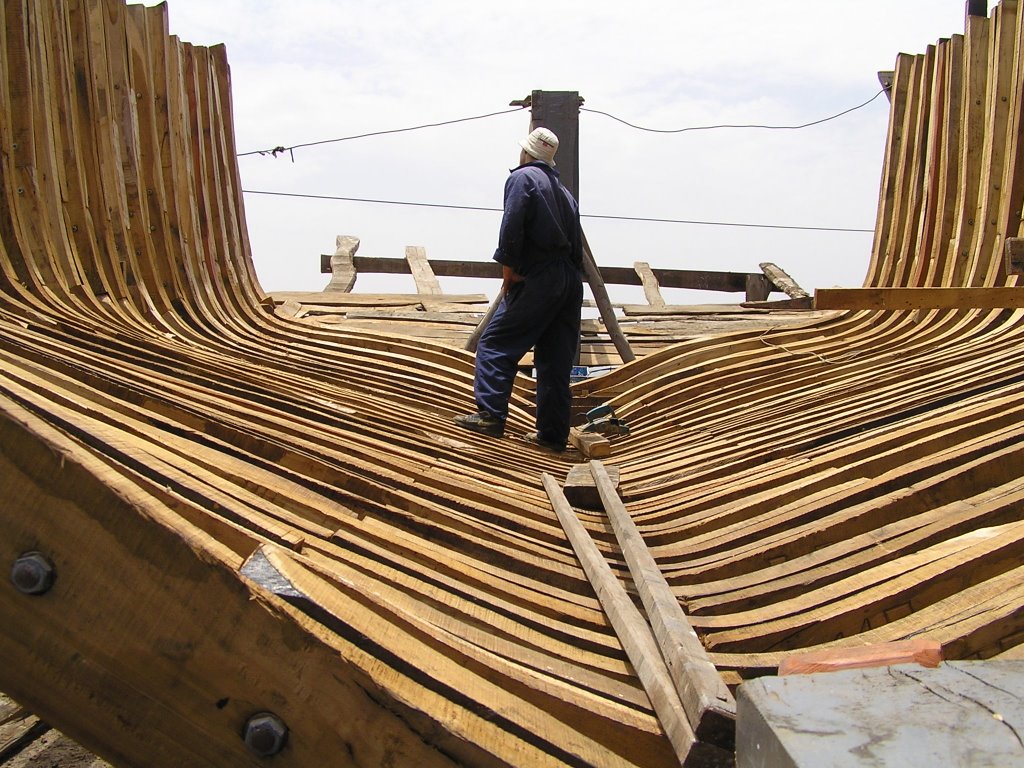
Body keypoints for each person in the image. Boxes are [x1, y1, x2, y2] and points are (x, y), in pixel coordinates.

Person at [454, 127, 584, 451]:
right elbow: (577, 246)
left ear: (526, 154)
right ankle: (553, 437)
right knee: (555, 360)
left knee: (496, 342)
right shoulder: (565, 193)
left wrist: (508, 269)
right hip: (569, 280)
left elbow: (512, 223)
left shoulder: (522, 178)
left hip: (540, 275)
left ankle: (490, 416)